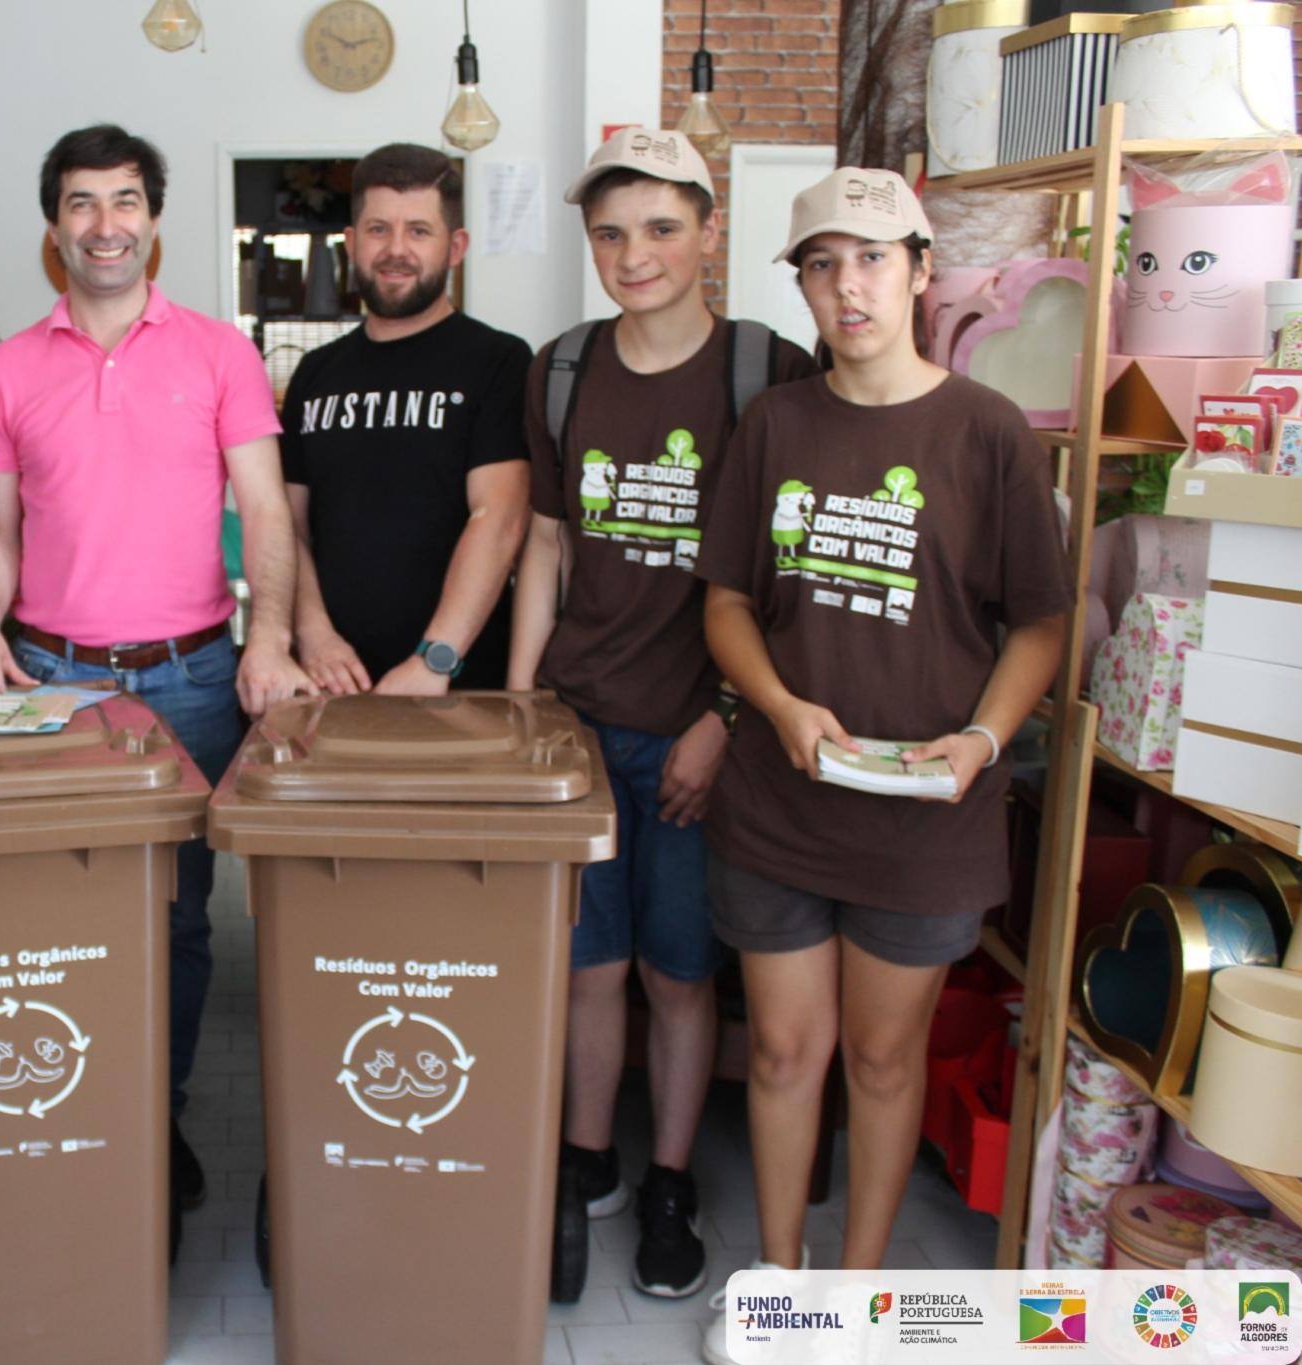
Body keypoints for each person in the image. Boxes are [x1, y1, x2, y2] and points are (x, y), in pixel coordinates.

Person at [693, 166, 1068, 1363]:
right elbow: (726, 602)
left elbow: (1039, 623)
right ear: (799, 284)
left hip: (926, 815)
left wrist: (982, 738)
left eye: (867, 259)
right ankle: (781, 1283)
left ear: (917, 269)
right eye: (819, 264)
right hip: (779, 803)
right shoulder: (776, 425)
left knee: (880, 1054)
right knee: (784, 1050)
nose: (845, 286)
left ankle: (854, 1304)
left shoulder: (984, 432)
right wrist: (778, 704)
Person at [0, 124, 315, 1205]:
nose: (102, 225)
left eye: (121, 202)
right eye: (79, 204)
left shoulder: (217, 353)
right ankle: (78, 1108)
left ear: (151, 220)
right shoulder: (6, 369)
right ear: (53, 228)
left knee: (179, 915)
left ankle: (156, 1114)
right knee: (62, 911)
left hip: (192, 677)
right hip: (48, 682)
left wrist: (273, 640)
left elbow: (262, 508)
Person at [508, 128, 819, 1300]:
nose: (631, 255)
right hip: (579, 728)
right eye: (608, 233)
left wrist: (730, 719)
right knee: (589, 969)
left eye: (657, 228)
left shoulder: (765, 372)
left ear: (705, 232)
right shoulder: (564, 368)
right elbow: (547, 541)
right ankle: (589, 1157)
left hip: (702, 734)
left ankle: (672, 1179)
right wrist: (527, 701)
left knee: (680, 974)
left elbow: (794, 577)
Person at [281, 143, 530, 694]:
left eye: (419, 231)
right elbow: (288, 526)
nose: (396, 250)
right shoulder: (315, 374)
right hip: (330, 682)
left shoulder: (499, 362)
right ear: (351, 242)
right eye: (377, 230)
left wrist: (434, 660)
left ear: (455, 246)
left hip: (458, 683)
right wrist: (313, 631)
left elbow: (499, 517)